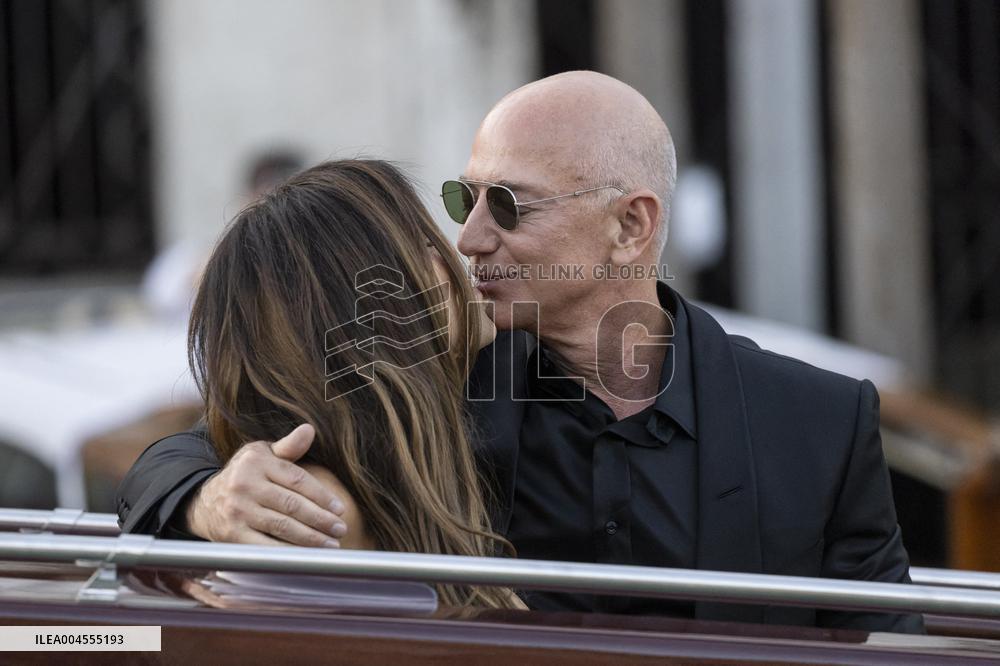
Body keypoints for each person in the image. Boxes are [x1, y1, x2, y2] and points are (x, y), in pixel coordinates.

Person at [117, 71, 922, 632]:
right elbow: (197, 447)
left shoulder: (819, 419)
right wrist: (206, 499)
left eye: (507, 204)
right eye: (464, 198)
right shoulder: (429, 377)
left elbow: (886, 640)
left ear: (630, 226)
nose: (468, 238)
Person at [146, 158, 520, 610]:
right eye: (424, 243)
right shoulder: (315, 510)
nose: (461, 247)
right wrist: (201, 499)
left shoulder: (497, 370)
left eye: (515, 205)